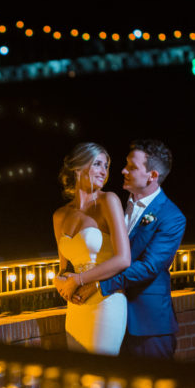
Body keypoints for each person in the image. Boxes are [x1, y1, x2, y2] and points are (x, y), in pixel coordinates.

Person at [71, 139, 186, 360]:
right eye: (125, 164)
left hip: (149, 325)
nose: (123, 170)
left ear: (152, 175)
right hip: (110, 318)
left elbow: (148, 267)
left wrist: (99, 285)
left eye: (132, 167)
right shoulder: (113, 204)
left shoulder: (172, 216)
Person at [52, 142, 130, 354]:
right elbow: (63, 267)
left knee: (101, 378)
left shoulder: (108, 201)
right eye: (97, 164)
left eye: (106, 166)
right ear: (78, 168)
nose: (104, 171)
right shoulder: (60, 216)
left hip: (105, 300)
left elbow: (124, 259)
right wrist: (59, 281)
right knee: (78, 377)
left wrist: (78, 280)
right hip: (76, 303)